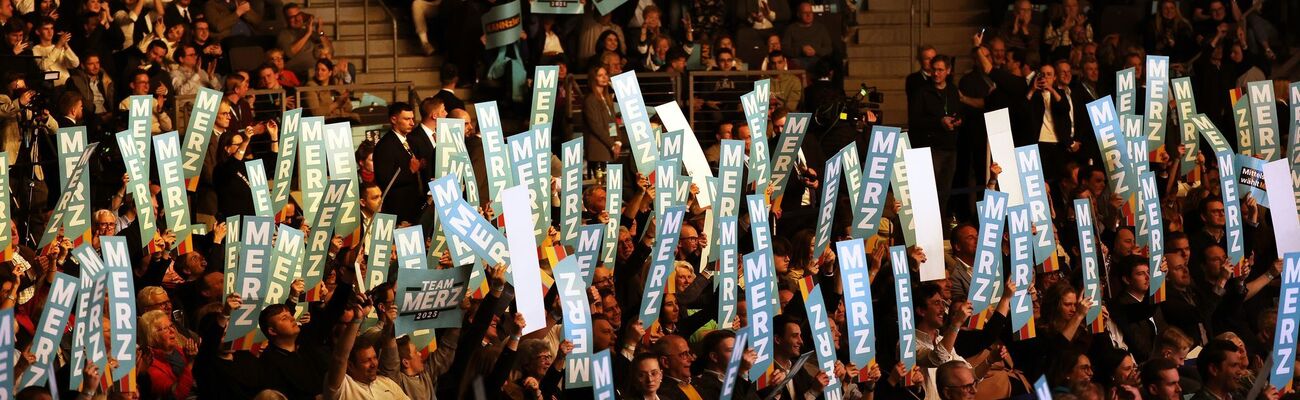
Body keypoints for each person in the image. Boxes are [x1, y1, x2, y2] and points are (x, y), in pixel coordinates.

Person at [373, 102, 425, 224]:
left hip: (416, 206)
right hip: (398, 211)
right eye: (407, 119)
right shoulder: (384, 146)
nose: (412, 123)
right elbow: (384, 180)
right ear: (393, 119)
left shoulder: (412, 140)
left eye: (412, 118)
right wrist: (410, 171)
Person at [782, 2, 831, 68]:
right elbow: (785, 49)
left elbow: (828, 48)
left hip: (817, 60)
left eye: (810, 12)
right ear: (798, 14)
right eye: (805, 13)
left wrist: (815, 50)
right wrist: (801, 49)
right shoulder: (791, 29)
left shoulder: (820, 28)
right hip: (798, 60)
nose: (808, 15)